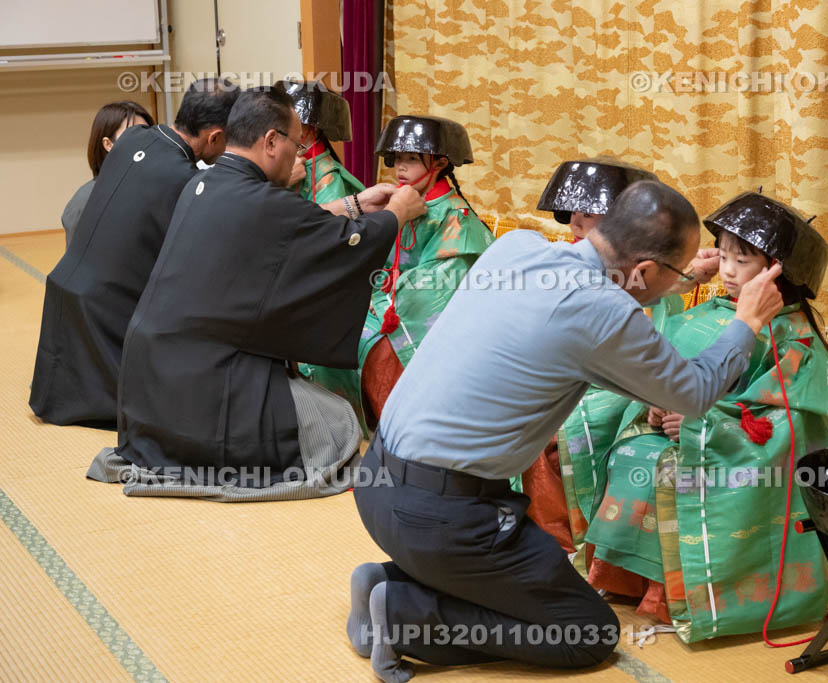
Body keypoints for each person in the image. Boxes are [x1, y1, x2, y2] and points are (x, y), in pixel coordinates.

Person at [348, 180, 785, 681]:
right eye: (678, 271)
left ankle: (387, 581)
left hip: (379, 484)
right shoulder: (604, 312)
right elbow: (691, 393)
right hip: (444, 519)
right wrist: (746, 322)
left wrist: (680, 281)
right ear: (643, 270)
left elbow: (603, 301)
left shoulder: (517, 247)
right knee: (585, 633)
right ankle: (402, 617)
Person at [86, 85, 425, 502]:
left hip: (147, 384)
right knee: (338, 425)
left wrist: (354, 204)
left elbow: (294, 228)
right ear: (270, 141)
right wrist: (397, 213)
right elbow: (336, 241)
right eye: (296, 145)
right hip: (203, 386)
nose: (299, 156)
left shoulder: (205, 183)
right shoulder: (262, 200)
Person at [578, 192, 828, 642]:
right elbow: (663, 364)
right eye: (724, 256)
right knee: (632, 450)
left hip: (724, 450)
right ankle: (632, 583)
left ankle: (679, 595)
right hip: (683, 433)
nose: (727, 271)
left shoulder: (794, 335)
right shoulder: (710, 310)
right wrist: (655, 401)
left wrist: (698, 425)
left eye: (742, 260)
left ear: (778, 271)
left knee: (668, 471)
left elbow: (788, 420)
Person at [520, 157, 715, 553]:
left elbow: (637, 299)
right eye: (576, 208)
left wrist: (688, 274)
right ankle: (539, 529)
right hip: (573, 365)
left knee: (568, 426)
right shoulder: (564, 255)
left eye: (592, 211)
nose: (578, 218)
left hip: (613, 377)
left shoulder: (635, 274)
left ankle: (570, 536)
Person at [30, 78, 239, 429]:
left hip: (64, 285)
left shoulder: (135, 139)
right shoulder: (184, 179)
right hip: (106, 307)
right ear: (216, 136)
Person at [300, 115, 494, 436]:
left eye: (412, 159)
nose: (400, 168)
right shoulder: (395, 204)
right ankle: (334, 433)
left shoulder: (456, 217)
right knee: (325, 325)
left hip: (420, 314)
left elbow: (438, 286)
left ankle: (399, 440)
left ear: (441, 163)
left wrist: (377, 301)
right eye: (397, 159)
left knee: (371, 343)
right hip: (384, 299)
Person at [62, 101, 155, 247]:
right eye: (134, 134)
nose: (145, 142)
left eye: (148, 134)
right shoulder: (87, 199)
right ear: (108, 144)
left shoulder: (151, 189)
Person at [278, 79, 366, 203]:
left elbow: (322, 221)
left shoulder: (328, 178)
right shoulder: (276, 158)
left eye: (293, 122)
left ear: (315, 128)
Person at [535, 157, 656, 243]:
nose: (575, 225)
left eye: (587, 215)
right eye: (573, 213)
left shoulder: (629, 265)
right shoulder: (565, 253)